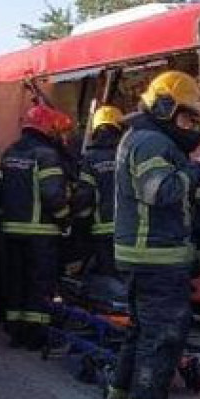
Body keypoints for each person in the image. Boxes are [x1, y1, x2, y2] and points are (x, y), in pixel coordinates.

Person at [99, 70, 200, 399]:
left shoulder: (146, 138)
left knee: (140, 339)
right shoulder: (149, 142)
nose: (191, 126)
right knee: (161, 344)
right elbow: (159, 191)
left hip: (147, 258)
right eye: (187, 117)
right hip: (155, 259)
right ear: (165, 108)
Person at [0, 103, 76, 349]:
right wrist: (65, 218)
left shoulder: (10, 153)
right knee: (39, 284)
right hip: (40, 233)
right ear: (48, 128)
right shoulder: (46, 155)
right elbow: (53, 194)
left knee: (16, 282)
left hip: (12, 231)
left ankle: (15, 332)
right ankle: (36, 334)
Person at [74, 105, 124, 278]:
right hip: (130, 230)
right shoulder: (127, 154)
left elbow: (85, 196)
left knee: (109, 278)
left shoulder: (91, 159)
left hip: (103, 230)